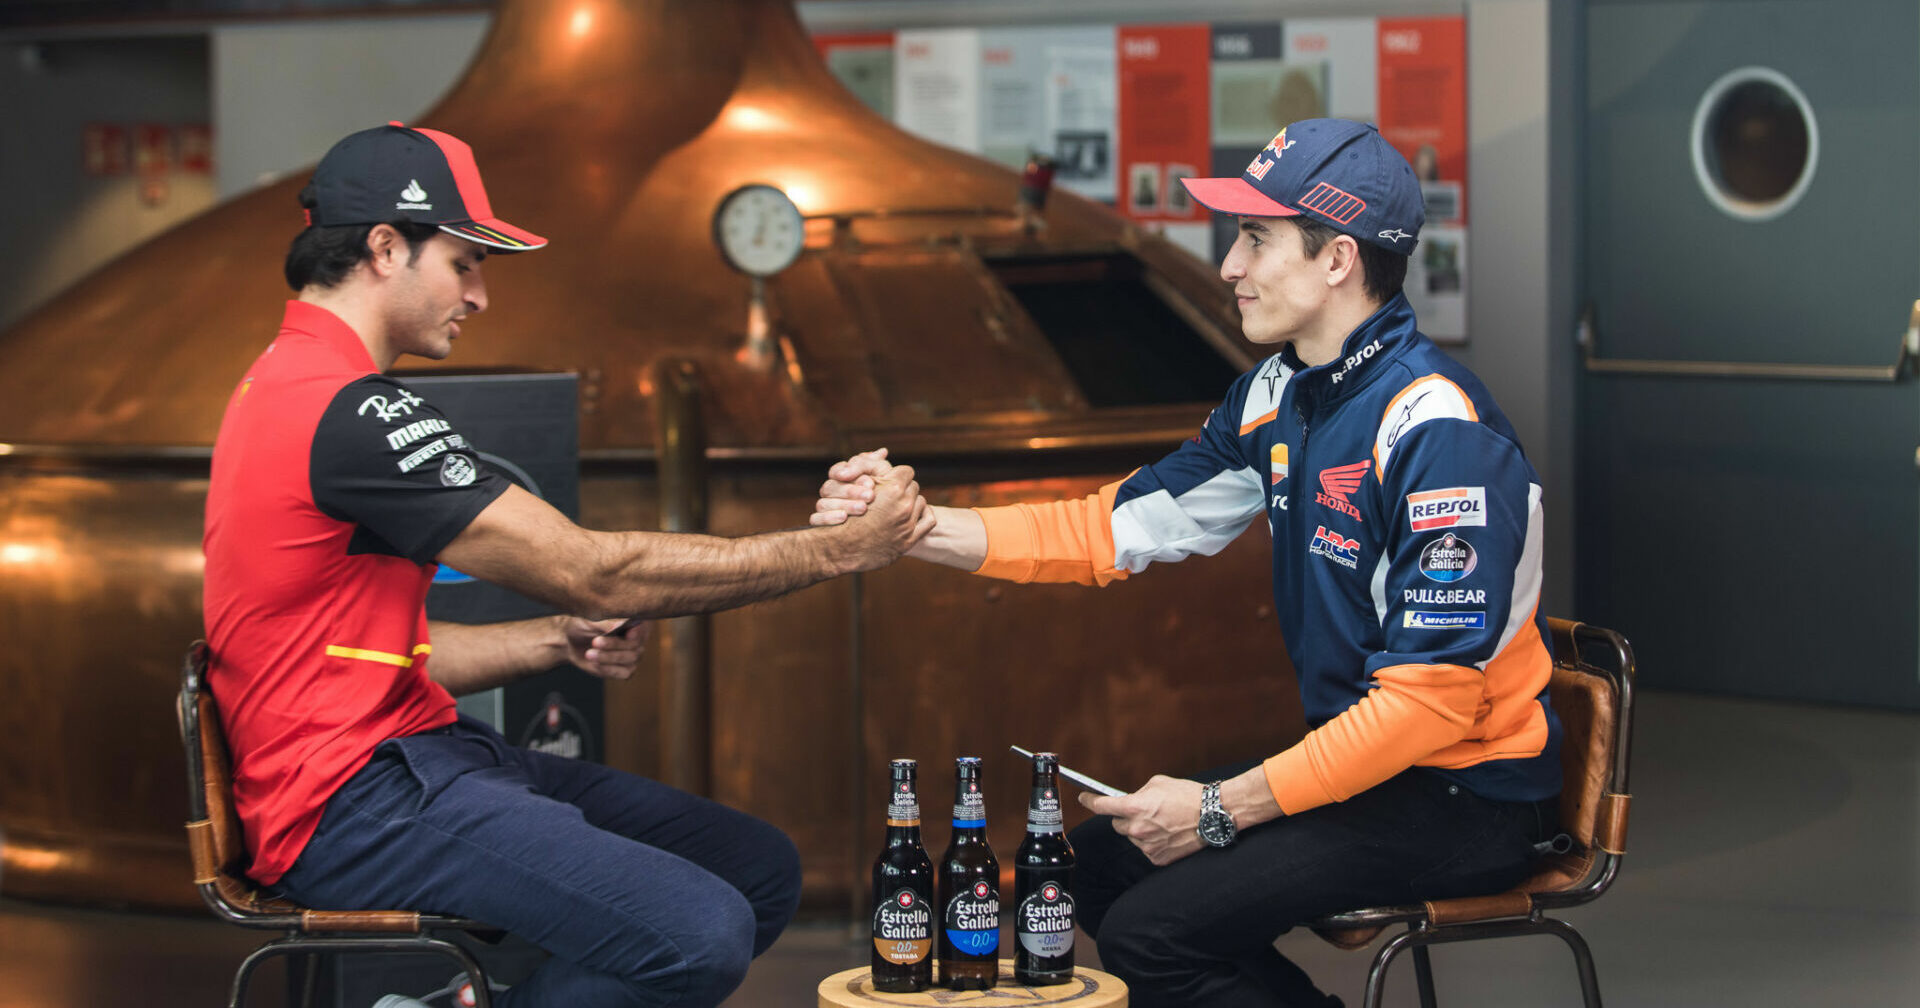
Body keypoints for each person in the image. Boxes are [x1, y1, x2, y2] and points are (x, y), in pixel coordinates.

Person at [813, 119, 1561, 1007]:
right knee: (1092, 868)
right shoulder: (1280, 393)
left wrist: (1221, 807)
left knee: (1153, 934)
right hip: (1370, 770)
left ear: (1338, 260)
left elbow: (1423, 709)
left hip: (1464, 796)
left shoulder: (1438, 431)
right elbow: (1113, 530)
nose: (1230, 268)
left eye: (1255, 239)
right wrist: (916, 528)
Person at [202, 122, 931, 1008]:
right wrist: (837, 549)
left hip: (410, 757)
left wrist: (554, 640)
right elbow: (596, 572)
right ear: (386, 248)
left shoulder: (287, 386)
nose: (479, 297)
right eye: (464, 264)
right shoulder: (345, 412)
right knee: (702, 934)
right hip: (351, 801)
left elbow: (371, 651)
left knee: (756, 871)